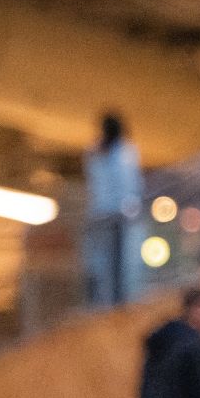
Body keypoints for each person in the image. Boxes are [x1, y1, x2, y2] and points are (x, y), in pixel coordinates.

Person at [83, 112, 144, 307]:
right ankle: (108, 301)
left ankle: (115, 300)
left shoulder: (110, 152)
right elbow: (130, 184)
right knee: (106, 262)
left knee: (112, 262)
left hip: (109, 215)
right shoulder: (119, 152)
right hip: (111, 215)